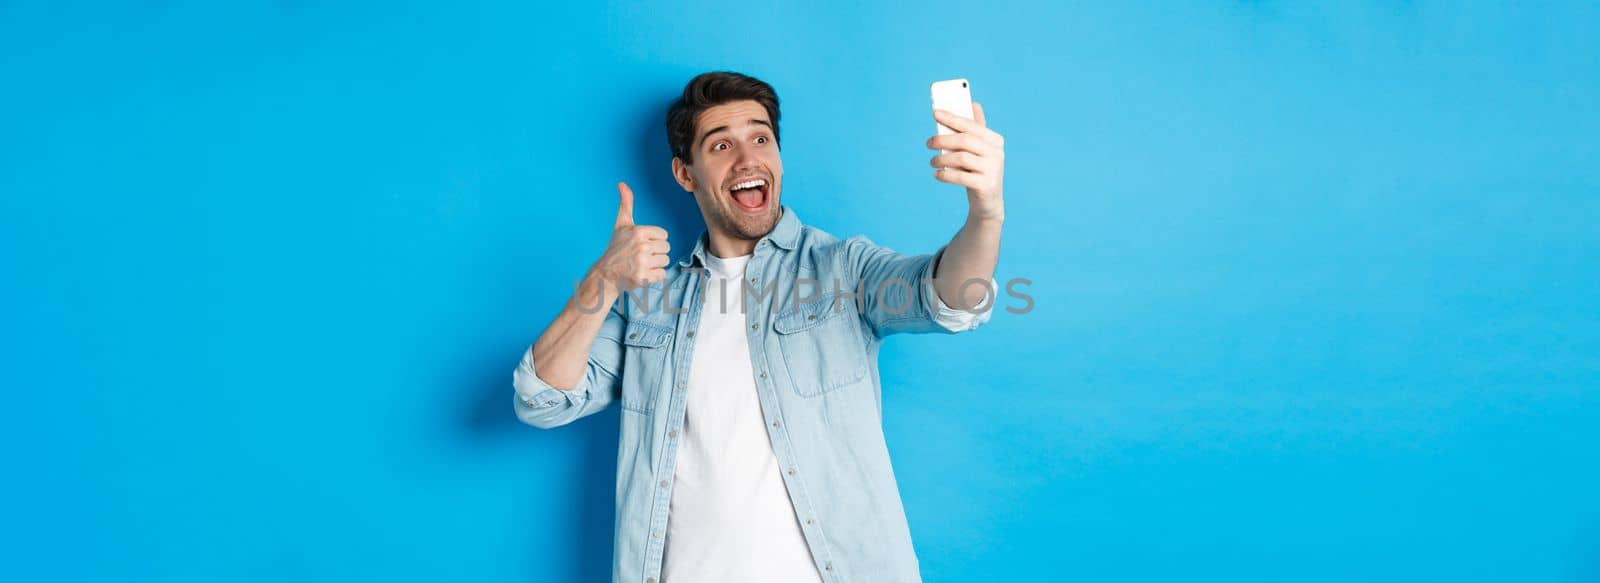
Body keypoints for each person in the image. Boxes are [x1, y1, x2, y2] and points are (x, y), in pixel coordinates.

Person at [513, 71, 1005, 583]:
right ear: (685, 174)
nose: (748, 159)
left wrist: (986, 212)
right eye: (721, 144)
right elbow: (540, 398)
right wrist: (603, 282)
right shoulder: (650, 304)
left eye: (761, 138)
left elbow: (950, 298)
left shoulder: (841, 269)